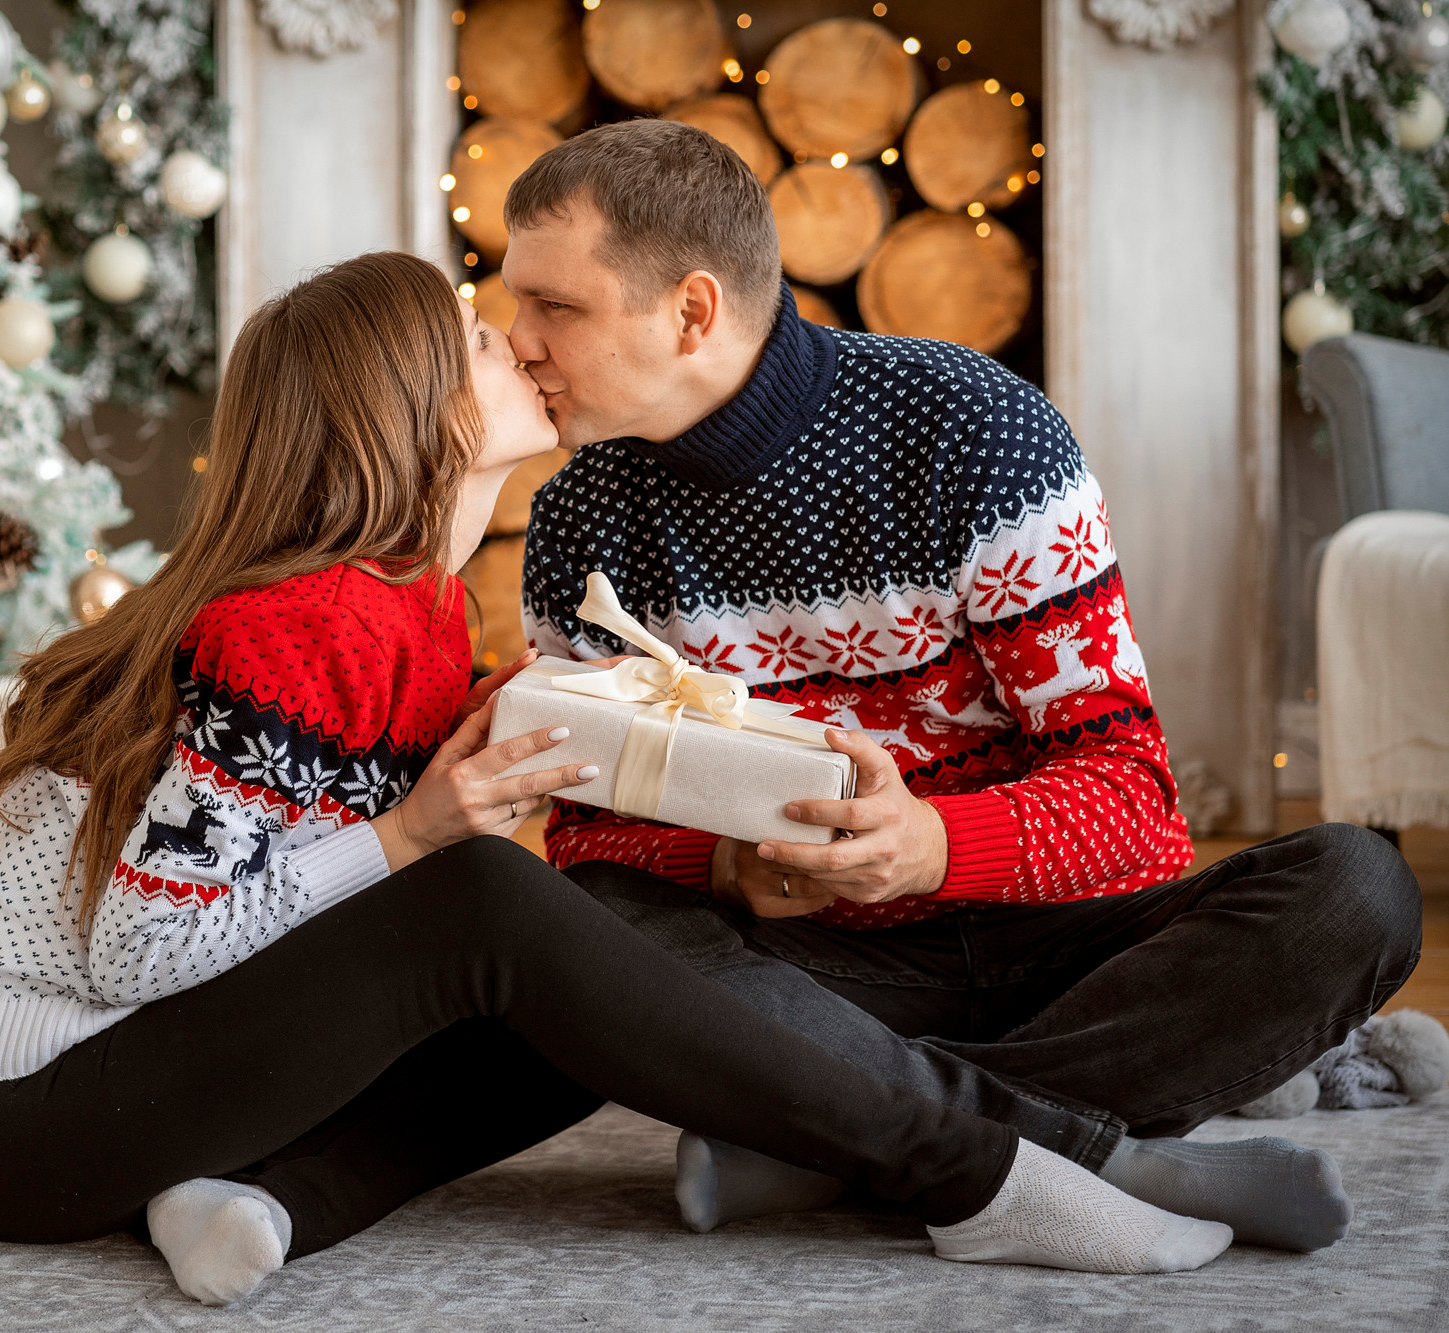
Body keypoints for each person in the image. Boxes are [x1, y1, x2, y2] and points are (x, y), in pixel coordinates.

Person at [0, 251, 1237, 1308]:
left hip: (146, 1085)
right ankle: (974, 1172)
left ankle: (266, 1201)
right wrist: (416, 837)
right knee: (491, 904)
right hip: (23, 1116)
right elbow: (150, 942)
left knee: (567, 1000)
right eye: (487, 340)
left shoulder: (412, 610)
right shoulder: (304, 619)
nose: (525, 346)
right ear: (413, 408)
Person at [502, 119, 1422, 1252]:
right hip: (818, 973)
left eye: (555, 307)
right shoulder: (577, 518)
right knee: (583, 926)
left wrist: (929, 844)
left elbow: (1135, 812)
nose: (517, 342)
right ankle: (1077, 1155)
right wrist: (732, 866)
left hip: (1061, 954)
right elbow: (591, 841)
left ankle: (837, 1137)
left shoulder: (968, 431)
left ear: (691, 311)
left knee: (1354, 890)